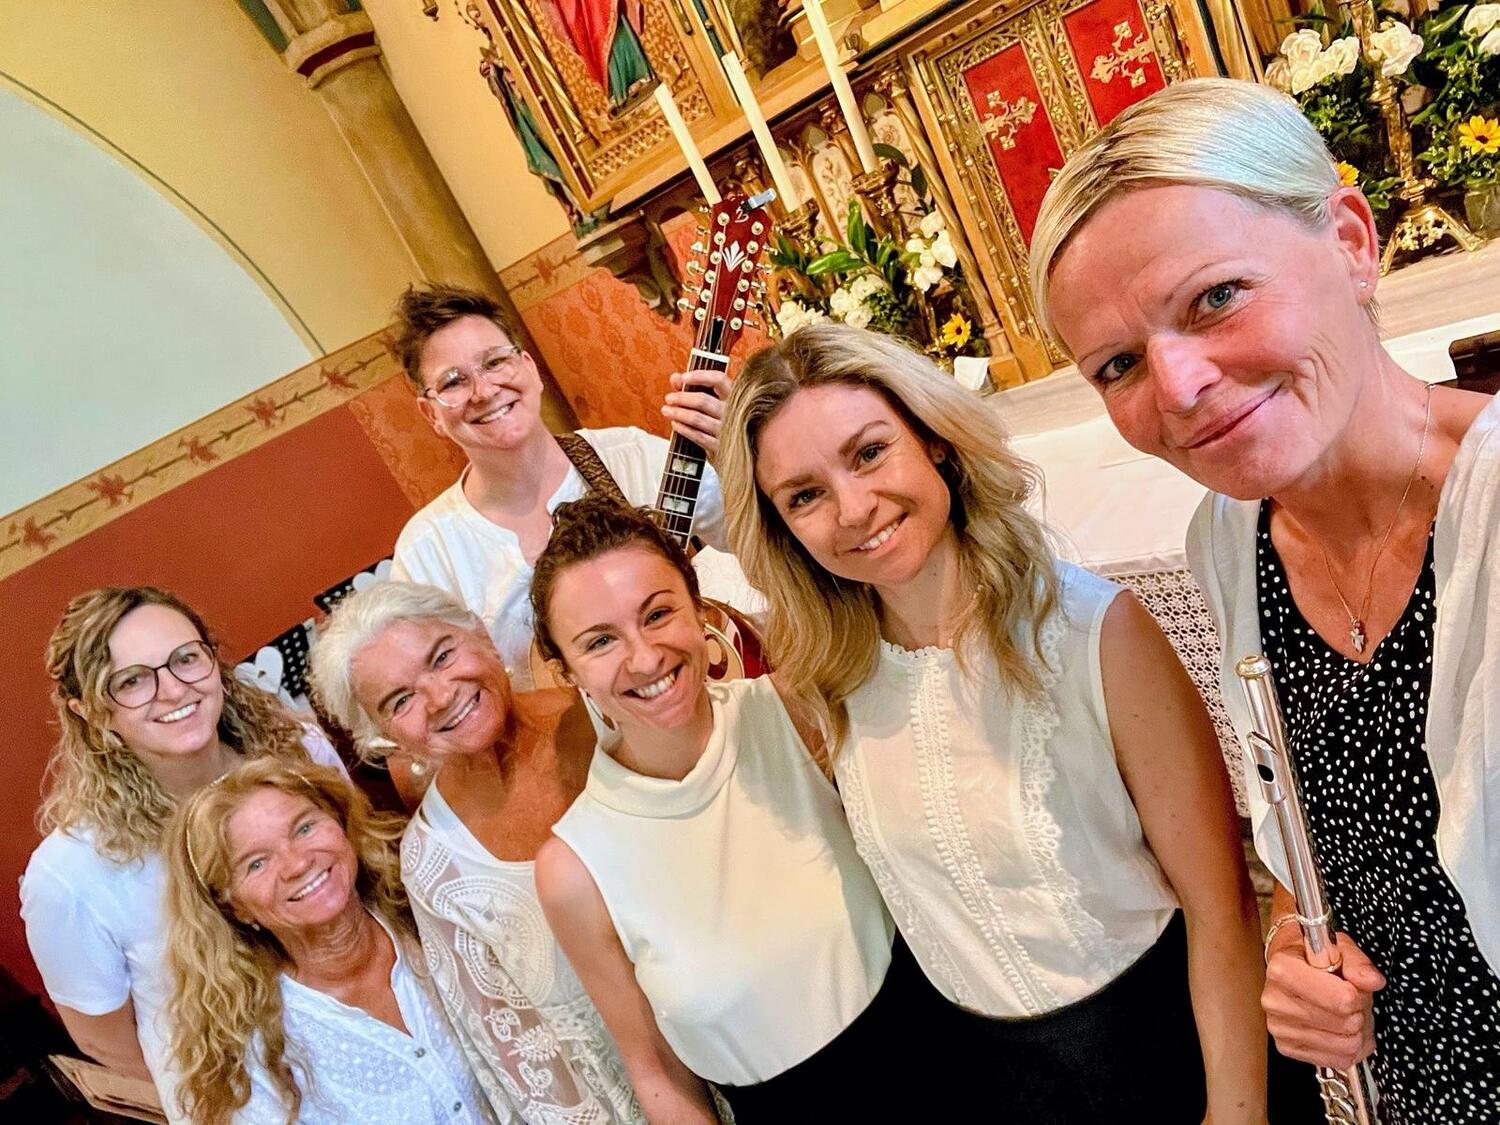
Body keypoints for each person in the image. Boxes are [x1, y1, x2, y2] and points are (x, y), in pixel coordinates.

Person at [1030, 76, 1500, 1124]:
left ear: (1351, 242)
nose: (1179, 387)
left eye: (1216, 298)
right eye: (1117, 364)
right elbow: (1315, 830)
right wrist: (1294, 940)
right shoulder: (1233, 539)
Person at [715, 322, 1270, 1122]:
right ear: (779, 527)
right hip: (991, 1082)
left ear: (934, 440)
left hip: (1163, 1050)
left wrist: (1237, 1111)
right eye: (804, 495)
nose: (854, 508)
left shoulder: (1092, 631)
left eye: (869, 452)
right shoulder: (827, 683)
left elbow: (1223, 904)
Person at [531, 495, 966, 1122]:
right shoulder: (574, 870)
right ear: (565, 671)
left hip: (954, 1067)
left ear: (697, 609)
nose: (645, 657)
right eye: (600, 641)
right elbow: (655, 1070)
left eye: (658, 614)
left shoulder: (796, 712)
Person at [309, 581, 640, 1123]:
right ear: (384, 739)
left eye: (442, 656)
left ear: (481, 635)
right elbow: (524, 1061)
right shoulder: (433, 865)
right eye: (401, 701)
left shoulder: (613, 712)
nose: (441, 697)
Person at [19, 587, 346, 1123]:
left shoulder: (299, 752)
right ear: (92, 713)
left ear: (213, 660)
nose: (173, 689)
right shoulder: (70, 874)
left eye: (186, 658)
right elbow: (107, 1042)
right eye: (131, 681)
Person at [388, 284, 751, 694]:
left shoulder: (632, 457)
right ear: (431, 415)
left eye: (495, 362)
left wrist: (736, 461)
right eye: (453, 382)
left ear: (529, 367)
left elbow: (758, 543)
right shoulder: (426, 553)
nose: (484, 391)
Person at [162, 758, 494, 1124]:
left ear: (339, 821)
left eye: (304, 828)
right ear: (234, 908)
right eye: (257, 863)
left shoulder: (433, 914)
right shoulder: (254, 1058)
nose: (297, 864)